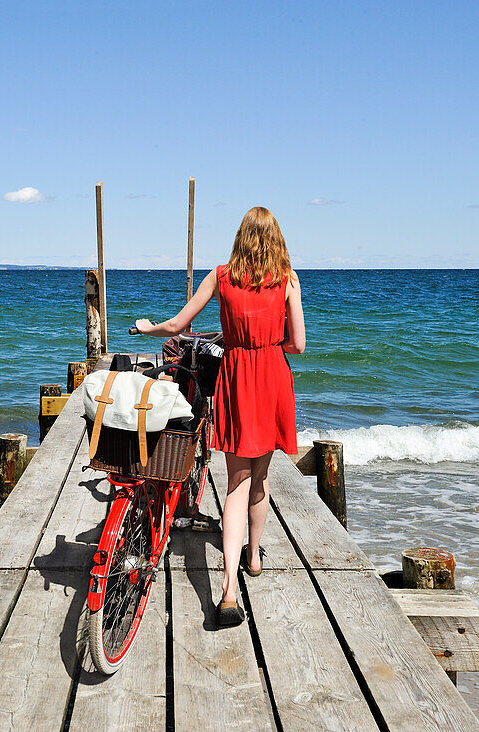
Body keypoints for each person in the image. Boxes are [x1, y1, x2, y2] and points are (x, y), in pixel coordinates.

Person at [134, 206, 305, 626]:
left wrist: (146, 327)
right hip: (272, 380)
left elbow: (177, 324)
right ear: (277, 240)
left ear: (241, 237)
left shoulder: (221, 275)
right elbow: (298, 345)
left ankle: (227, 591)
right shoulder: (287, 280)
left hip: (235, 379)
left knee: (236, 484)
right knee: (260, 480)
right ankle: (253, 559)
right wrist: (268, 340)